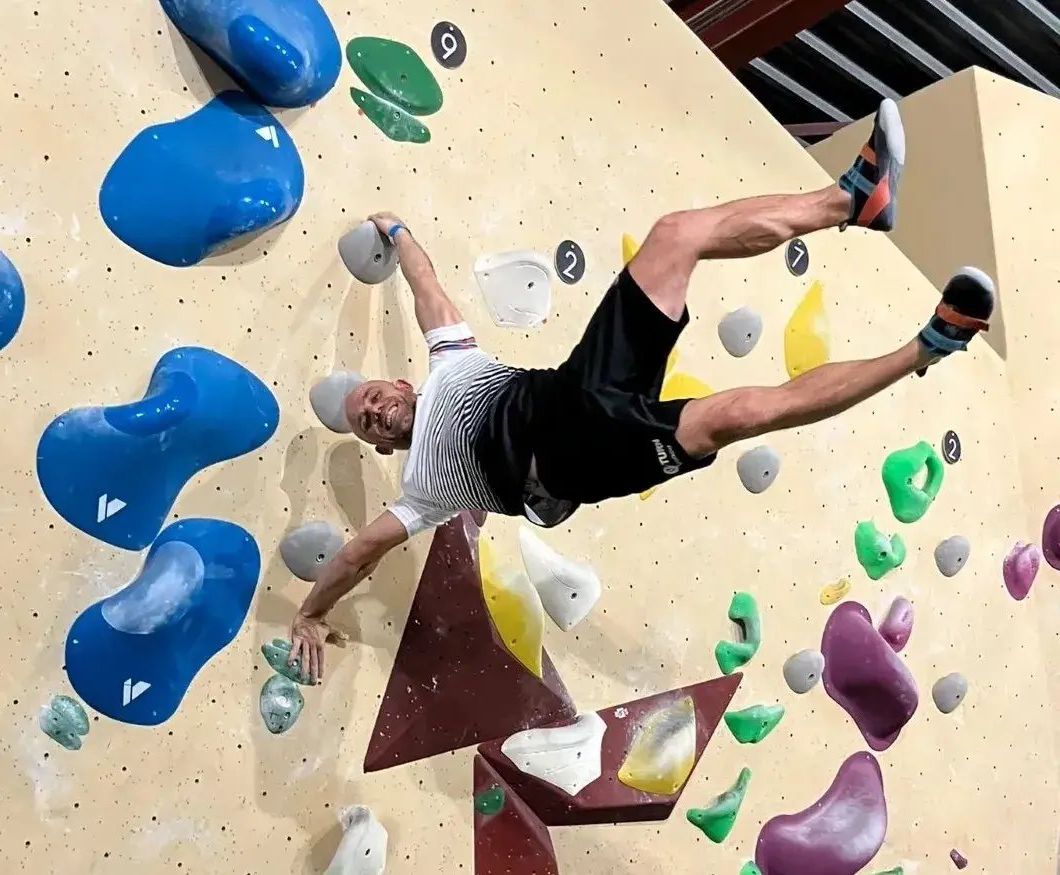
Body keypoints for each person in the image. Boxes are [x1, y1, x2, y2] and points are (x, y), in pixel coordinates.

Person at [287, 98, 995, 680]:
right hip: (567, 464)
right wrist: (311, 612)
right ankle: (929, 345)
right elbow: (356, 555)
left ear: (398, 382)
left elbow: (425, 285)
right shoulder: (420, 490)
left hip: (578, 389)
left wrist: (396, 227)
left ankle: (850, 199)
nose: (373, 412)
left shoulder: (449, 360)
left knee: (675, 235)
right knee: (746, 411)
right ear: (383, 446)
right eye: (366, 424)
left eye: (370, 397)